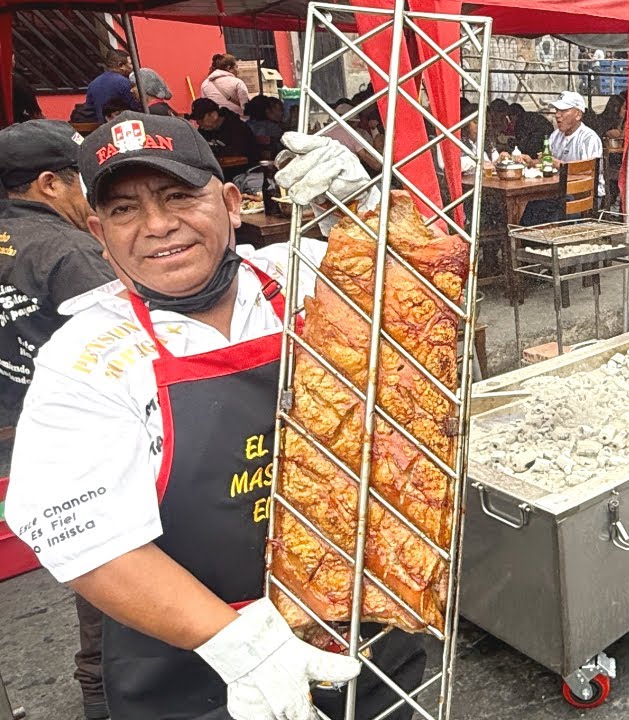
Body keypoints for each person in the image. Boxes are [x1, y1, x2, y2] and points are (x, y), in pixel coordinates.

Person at [5, 111, 427, 720]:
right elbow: (85, 538)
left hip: (368, 627)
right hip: (199, 670)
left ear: (230, 202)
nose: (157, 225)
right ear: (99, 232)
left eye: (179, 195)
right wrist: (243, 647)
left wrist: (365, 204)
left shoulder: (302, 273)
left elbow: (428, 303)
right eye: (124, 210)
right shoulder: (87, 357)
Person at [0, 119, 118, 720]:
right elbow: (132, 339)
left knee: (83, 555)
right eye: (81, 181)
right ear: (49, 183)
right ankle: (102, 695)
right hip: (89, 431)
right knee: (112, 558)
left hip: (22, 425)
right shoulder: (68, 251)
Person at [517, 91, 603, 224]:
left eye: (563, 111)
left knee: (553, 217)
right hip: (557, 193)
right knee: (531, 209)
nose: (557, 115)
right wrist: (531, 162)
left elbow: (589, 172)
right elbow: (548, 161)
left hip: (583, 195)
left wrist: (559, 165)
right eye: (557, 110)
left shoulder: (589, 138)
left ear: (578, 114)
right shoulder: (556, 135)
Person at [189, 97, 257, 176]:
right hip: (217, 172)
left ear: (213, 115)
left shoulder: (236, 127)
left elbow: (239, 153)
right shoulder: (204, 129)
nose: (198, 123)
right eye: (196, 119)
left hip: (243, 172)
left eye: (200, 119)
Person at [85, 49, 141, 122]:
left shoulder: (93, 84)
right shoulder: (124, 83)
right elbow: (136, 108)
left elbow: (89, 110)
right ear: (121, 65)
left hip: (102, 126)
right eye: (131, 64)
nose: (133, 67)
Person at [201, 54, 250, 118]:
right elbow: (246, 108)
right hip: (238, 121)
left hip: (216, 122)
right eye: (236, 67)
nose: (238, 70)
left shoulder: (205, 84)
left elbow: (205, 108)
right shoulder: (237, 83)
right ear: (229, 68)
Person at [244, 94, 287, 160]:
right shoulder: (271, 127)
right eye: (279, 109)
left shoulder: (246, 124)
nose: (281, 113)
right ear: (267, 110)